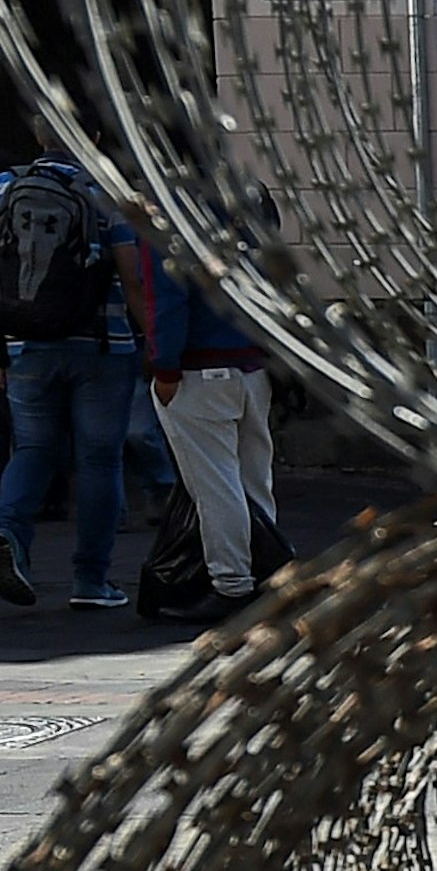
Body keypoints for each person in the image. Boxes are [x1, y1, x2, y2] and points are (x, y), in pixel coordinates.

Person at [0, 153, 158, 610]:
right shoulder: (109, 192)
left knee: (32, 449)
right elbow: (132, 277)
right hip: (104, 345)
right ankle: (92, 581)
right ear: (94, 139)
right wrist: (157, 346)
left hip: (26, 343)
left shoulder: (2, 187)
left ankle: (8, 535)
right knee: (100, 459)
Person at [133, 213, 275, 621]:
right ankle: (267, 571)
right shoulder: (244, 205)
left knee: (215, 485)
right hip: (251, 363)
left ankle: (232, 584)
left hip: (199, 368)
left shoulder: (162, 215)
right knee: (253, 479)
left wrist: (164, 368)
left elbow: (165, 299)